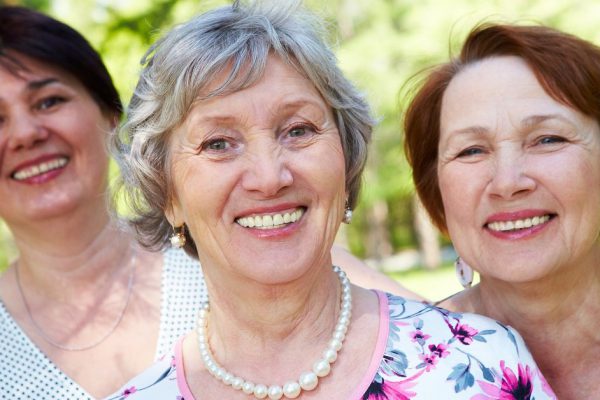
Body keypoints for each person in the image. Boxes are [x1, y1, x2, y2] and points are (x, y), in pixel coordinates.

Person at [109, 2, 554, 399]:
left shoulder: (482, 366)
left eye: (298, 130)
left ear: (346, 159)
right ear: (167, 194)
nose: (269, 178)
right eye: (218, 143)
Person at [0, 6, 414, 399]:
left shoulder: (253, 251)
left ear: (112, 116)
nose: (25, 133)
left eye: (49, 101)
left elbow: (429, 340)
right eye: (218, 144)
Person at [403, 22, 600, 399]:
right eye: (471, 150)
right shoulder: (406, 373)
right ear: (437, 190)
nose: (508, 182)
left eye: (548, 139)